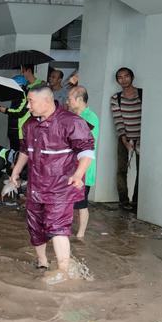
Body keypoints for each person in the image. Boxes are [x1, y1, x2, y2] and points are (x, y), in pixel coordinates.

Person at [8, 84, 95, 283]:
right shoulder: (29, 124)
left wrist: (79, 174)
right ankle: (42, 263)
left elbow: (87, 151)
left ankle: (63, 270)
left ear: (46, 101)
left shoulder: (71, 121)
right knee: (34, 225)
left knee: (58, 226)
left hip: (61, 187)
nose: (27, 106)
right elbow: (25, 149)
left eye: (30, 101)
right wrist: (16, 171)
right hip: (36, 185)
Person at [67, 86, 99, 238]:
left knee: (81, 204)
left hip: (85, 168)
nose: (68, 101)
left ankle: (80, 235)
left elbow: (84, 143)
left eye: (70, 98)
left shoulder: (90, 117)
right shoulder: (73, 115)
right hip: (71, 167)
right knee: (69, 201)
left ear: (79, 99)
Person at [110, 67, 142, 212]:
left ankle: (136, 202)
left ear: (132, 77)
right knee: (121, 170)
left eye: (126, 76)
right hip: (124, 137)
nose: (123, 79)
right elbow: (118, 120)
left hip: (142, 138)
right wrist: (123, 138)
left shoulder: (142, 95)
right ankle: (124, 201)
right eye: (120, 77)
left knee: (142, 170)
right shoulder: (115, 98)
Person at [0, 64, 44, 149]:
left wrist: (6, 110)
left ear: (29, 71)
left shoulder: (41, 85)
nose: (21, 73)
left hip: (26, 128)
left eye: (23, 71)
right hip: (18, 128)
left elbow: (21, 111)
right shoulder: (26, 87)